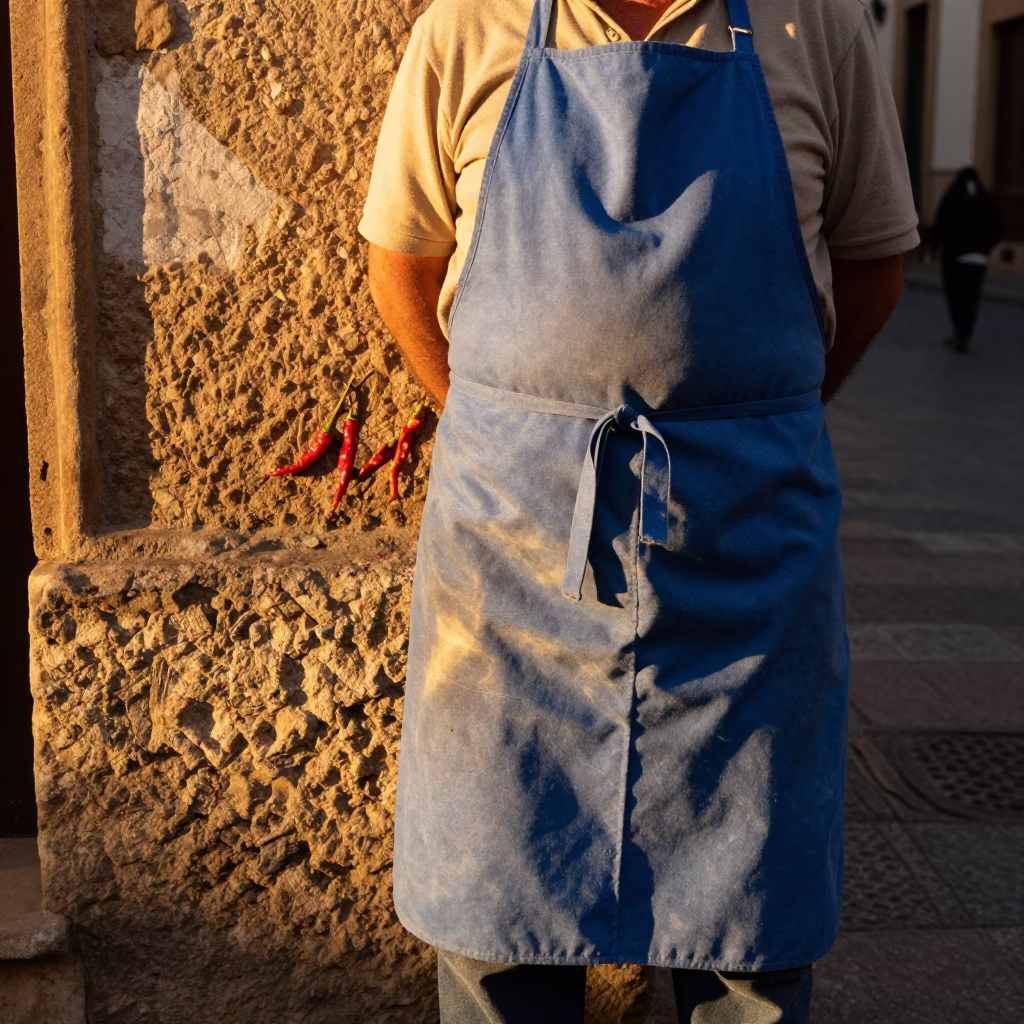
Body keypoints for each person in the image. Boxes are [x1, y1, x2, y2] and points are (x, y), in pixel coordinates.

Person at [359, 1, 919, 1021]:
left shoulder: (819, 28)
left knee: (750, 934)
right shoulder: (466, 26)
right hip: (512, 575)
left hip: (744, 563)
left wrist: (742, 421)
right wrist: (512, 429)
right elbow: (401, 260)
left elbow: (875, 264)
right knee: (500, 925)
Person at [931, 167, 1004, 352]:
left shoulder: (953, 196)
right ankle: (965, 333)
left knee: (955, 296)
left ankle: (959, 333)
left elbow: (941, 222)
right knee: (971, 299)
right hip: (978, 260)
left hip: (955, 258)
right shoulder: (986, 199)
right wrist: (985, 246)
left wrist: (934, 247)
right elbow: (999, 228)